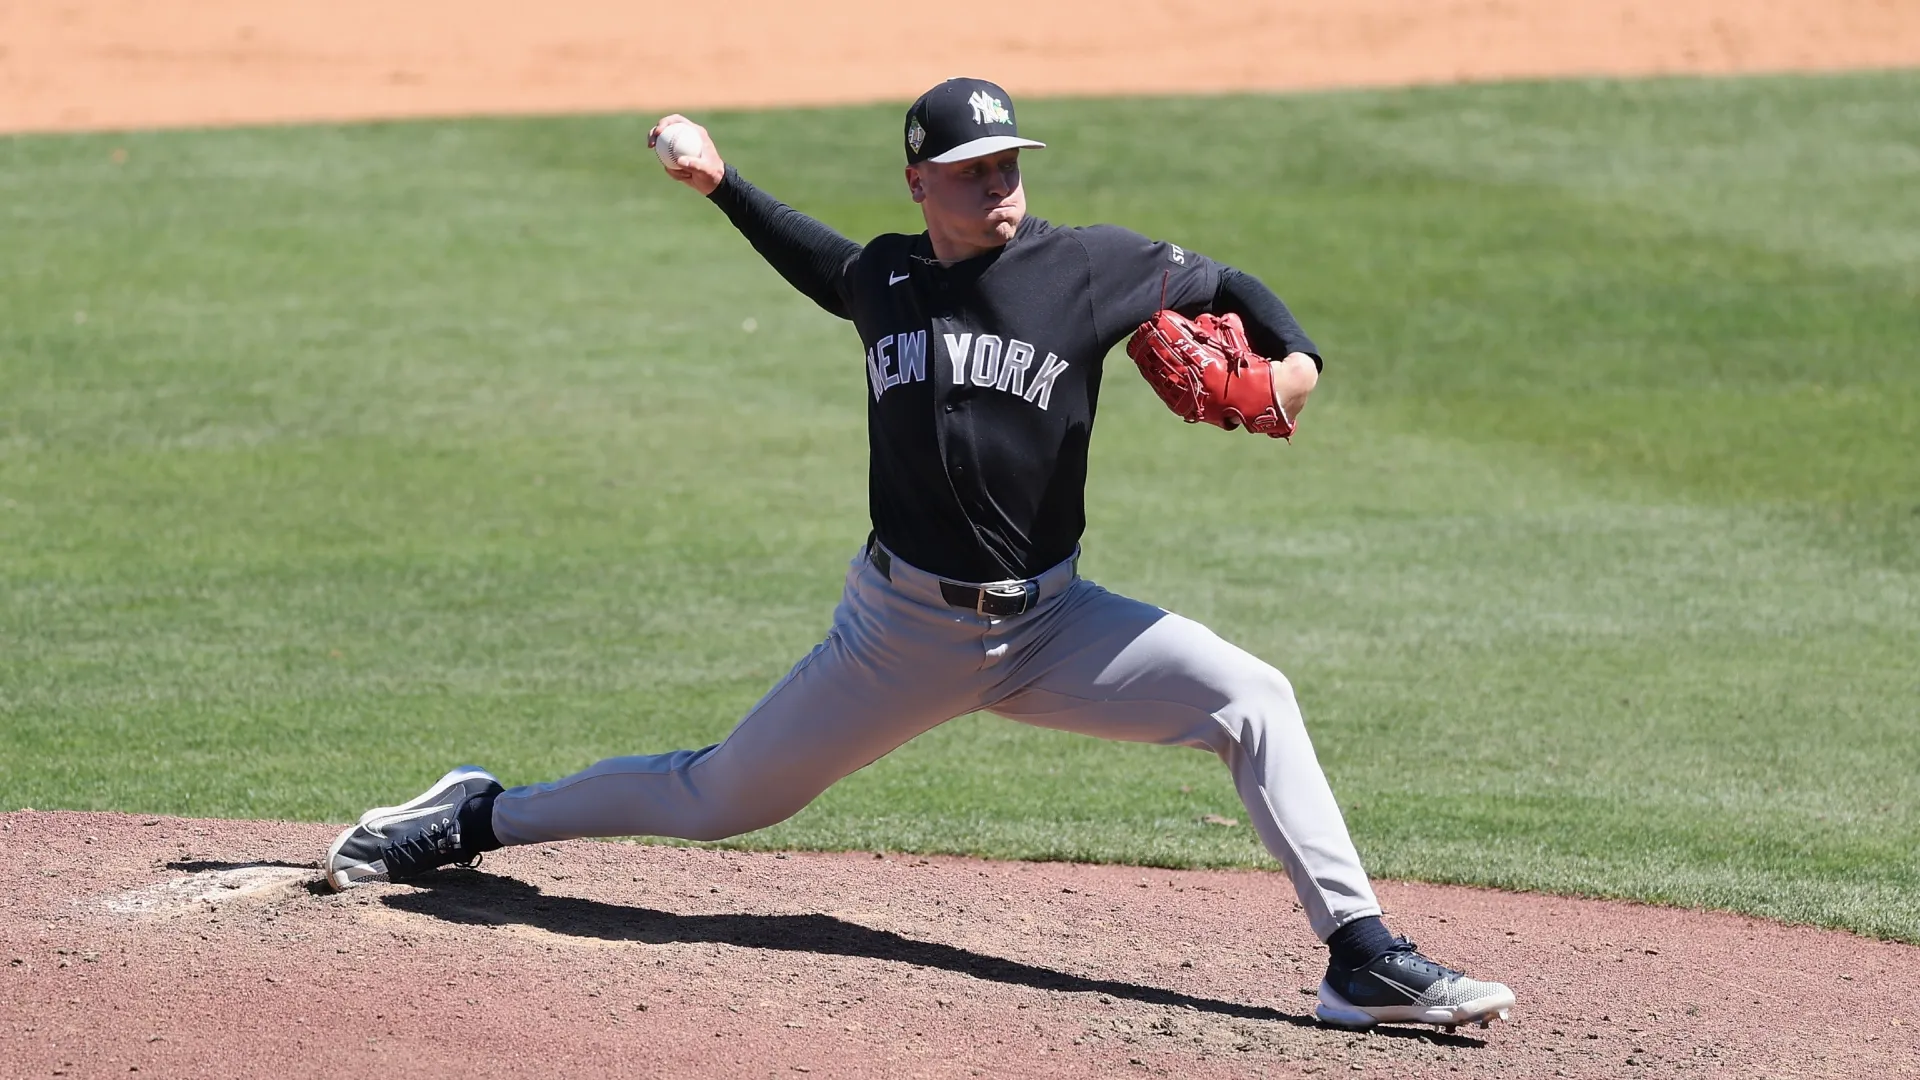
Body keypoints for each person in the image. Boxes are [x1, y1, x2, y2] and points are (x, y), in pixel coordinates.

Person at [324, 77, 1515, 1032]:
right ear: (921, 181)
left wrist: (1295, 362)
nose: (999, 185)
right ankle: (478, 817)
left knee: (1254, 697)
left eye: (1009, 165)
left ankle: (1360, 961)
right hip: (899, 634)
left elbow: (1230, 285)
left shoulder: (1087, 266)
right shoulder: (886, 277)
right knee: (720, 797)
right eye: (973, 170)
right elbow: (814, 259)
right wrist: (721, 181)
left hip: (1055, 627)